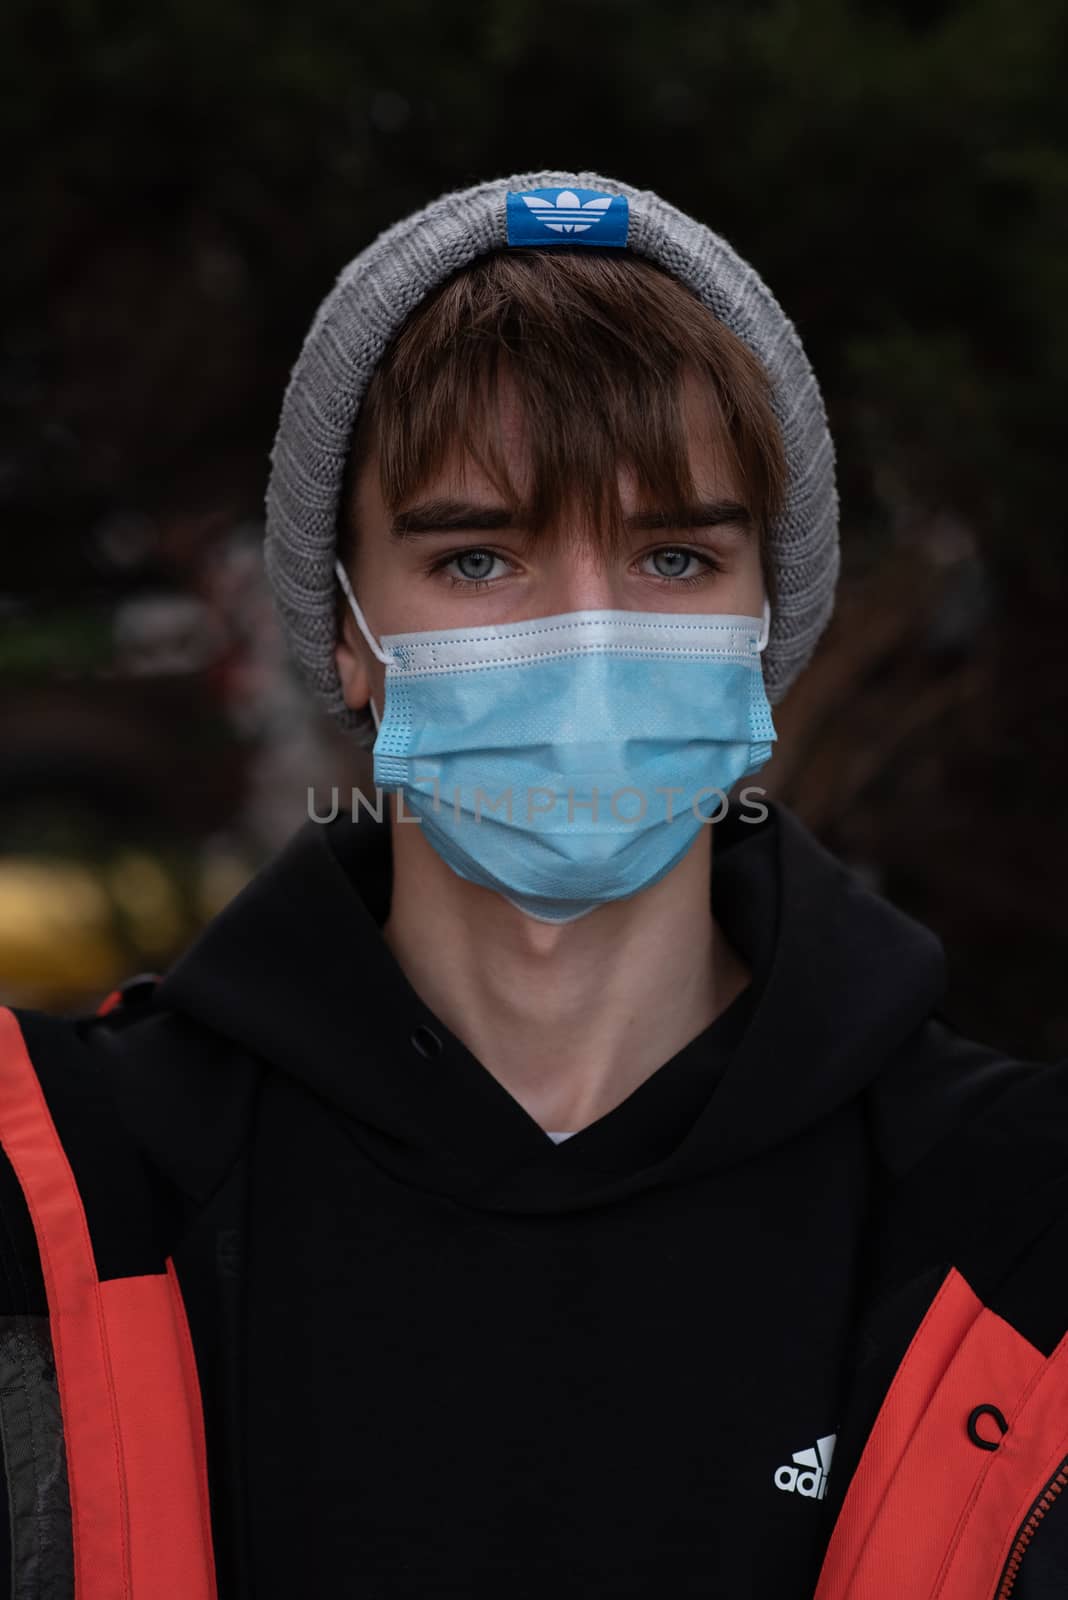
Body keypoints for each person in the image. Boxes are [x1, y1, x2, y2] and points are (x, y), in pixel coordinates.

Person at [1, 168, 1066, 1599]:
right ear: (350, 635)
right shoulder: (66, 1187)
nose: (588, 639)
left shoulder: (1016, 1215)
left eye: (675, 554)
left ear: (768, 620)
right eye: (482, 555)